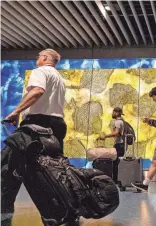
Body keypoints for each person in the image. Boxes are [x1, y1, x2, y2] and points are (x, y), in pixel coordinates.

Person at [1, 49, 78, 225]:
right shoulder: (59, 78)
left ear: (44, 58)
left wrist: (15, 112)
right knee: (50, 171)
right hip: (56, 128)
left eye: (39, 56)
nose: (37, 59)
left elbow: (37, 91)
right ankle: (61, 213)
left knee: (7, 168)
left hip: (36, 127)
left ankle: (3, 216)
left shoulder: (40, 71)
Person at [97, 107, 126, 184]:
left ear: (116, 113)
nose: (112, 114)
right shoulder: (122, 121)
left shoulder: (118, 122)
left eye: (113, 112)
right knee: (116, 163)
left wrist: (105, 136)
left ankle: (115, 181)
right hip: (121, 145)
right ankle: (116, 180)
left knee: (115, 163)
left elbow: (116, 133)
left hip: (119, 145)